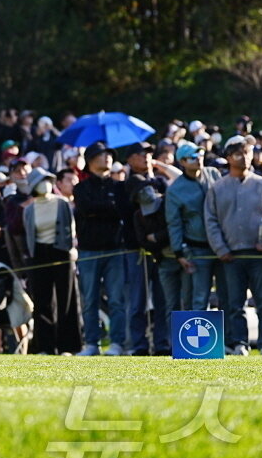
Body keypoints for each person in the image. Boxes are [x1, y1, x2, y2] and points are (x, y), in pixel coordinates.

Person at [204, 134, 262, 356]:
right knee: (234, 303)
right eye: (238, 154)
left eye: (247, 153)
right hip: (231, 255)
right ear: (228, 158)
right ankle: (239, 343)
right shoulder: (217, 188)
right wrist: (221, 249)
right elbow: (211, 221)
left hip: (259, 253)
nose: (245, 158)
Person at [73, 142, 130, 356]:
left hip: (115, 249)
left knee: (116, 299)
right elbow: (87, 209)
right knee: (90, 300)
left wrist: (105, 208)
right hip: (89, 250)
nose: (106, 158)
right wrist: (110, 207)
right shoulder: (81, 189)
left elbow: (122, 212)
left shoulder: (119, 187)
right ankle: (92, 344)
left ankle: (117, 343)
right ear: (90, 161)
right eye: (101, 155)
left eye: (108, 155)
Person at [21, 167, 82, 354]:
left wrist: (71, 249)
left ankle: (67, 346)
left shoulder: (62, 203)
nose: (45, 184)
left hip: (61, 252)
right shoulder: (29, 209)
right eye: (41, 181)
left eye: (48, 179)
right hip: (38, 255)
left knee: (66, 299)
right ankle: (45, 346)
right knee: (42, 301)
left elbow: (70, 229)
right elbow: (29, 235)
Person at [122, 141, 170, 356]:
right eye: (141, 154)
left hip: (161, 249)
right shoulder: (128, 183)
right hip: (136, 250)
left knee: (163, 300)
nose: (146, 157)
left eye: (149, 154)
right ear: (130, 159)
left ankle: (162, 343)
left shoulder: (161, 182)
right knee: (137, 302)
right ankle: (139, 344)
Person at [165, 142, 224, 312]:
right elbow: (174, 223)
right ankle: (203, 340)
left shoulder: (213, 174)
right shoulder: (175, 190)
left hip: (222, 246)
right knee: (199, 299)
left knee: (227, 297)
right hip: (197, 250)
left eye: (200, 155)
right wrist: (179, 252)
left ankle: (231, 338)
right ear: (182, 162)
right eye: (192, 157)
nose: (198, 159)